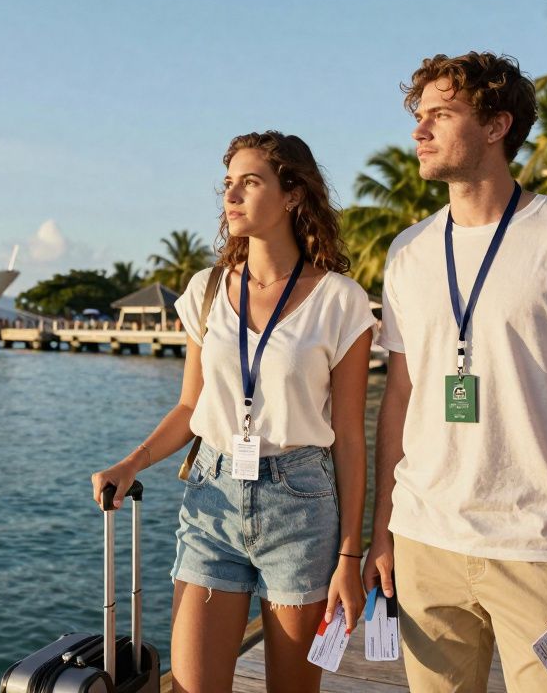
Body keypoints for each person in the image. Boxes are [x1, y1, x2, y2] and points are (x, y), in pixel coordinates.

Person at [362, 52, 547, 692]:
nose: (419, 131)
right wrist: (383, 531)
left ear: (495, 126)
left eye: (441, 114)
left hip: (542, 550)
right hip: (424, 542)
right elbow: (399, 398)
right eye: (419, 115)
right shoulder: (408, 251)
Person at [92, 131, 376, 692]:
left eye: (250, 182)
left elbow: (348, 437)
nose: (231, 195)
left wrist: (350, 553)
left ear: (293, 194)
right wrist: (131, 463)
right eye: (228, 183)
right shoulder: (206, 289)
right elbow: (189, 406)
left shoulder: (340, 299)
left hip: (300, 505)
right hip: (211, 501)